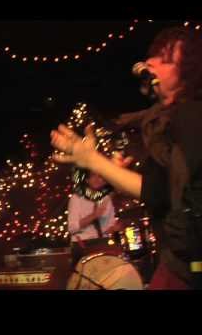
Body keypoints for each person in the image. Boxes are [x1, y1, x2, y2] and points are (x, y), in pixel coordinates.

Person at [50, 26, 202, 289]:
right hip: (178, 262)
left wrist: (93, 161)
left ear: (189, 72)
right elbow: (160, 193)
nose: (150, 63)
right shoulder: (168, 124)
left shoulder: (190, 116)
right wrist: (111, 170)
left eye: (165, 59)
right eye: (152, 56)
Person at [68, 172, 120, 265]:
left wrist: (114, 228)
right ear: (87, 180)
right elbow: (72, 228)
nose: (97, 179)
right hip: (83, 244)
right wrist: (94, 215)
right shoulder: (77, 198)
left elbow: (108, 228)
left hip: (102, 243)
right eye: (93, 176)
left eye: (100, 176)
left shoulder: (106, 199)